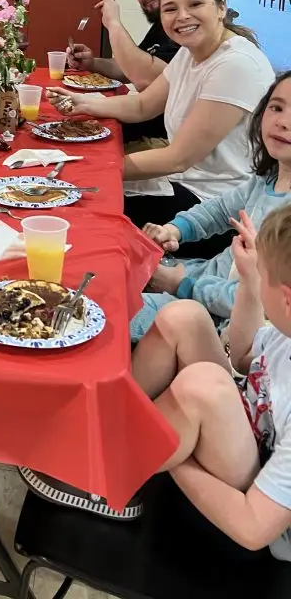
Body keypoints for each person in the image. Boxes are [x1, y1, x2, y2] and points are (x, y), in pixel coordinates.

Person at [52, 0, 275, 232]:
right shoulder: (189, 53)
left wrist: (98, 167)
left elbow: (177, 158)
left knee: (82, 211)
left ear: (221, 8)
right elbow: (142, 105)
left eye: (195, 4)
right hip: (182, 181)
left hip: (217, 205)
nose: (182, 16)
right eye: (170, 9)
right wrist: (82, 102)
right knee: (77, 194)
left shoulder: (236, 64)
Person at [131, 205, 291, 559]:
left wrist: (179, 456)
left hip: (261, 515)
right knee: (183, 317)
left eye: (263, 274)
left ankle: (112, 478)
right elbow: (244, 356)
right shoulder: (286, 334)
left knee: (203, 386)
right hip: (250, 441)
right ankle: (115, 434)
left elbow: (253, 528)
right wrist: (251, 282)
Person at [131, 71, 291, 341]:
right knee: (113, 267)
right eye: (277, 107)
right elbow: (218, 210)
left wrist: (182, 284)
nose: (283, 122)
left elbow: (260, 301)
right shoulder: (267, 180)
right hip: (202, 278)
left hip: (217, 316)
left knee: (110, 314)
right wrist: (174, 229)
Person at [67, 0, 184, 147]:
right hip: (142, 126)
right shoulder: (162, 25)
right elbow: (132, 73)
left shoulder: (195, 39)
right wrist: (93, 63)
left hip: (163, 140)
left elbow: (145, 80)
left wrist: (114, 24)